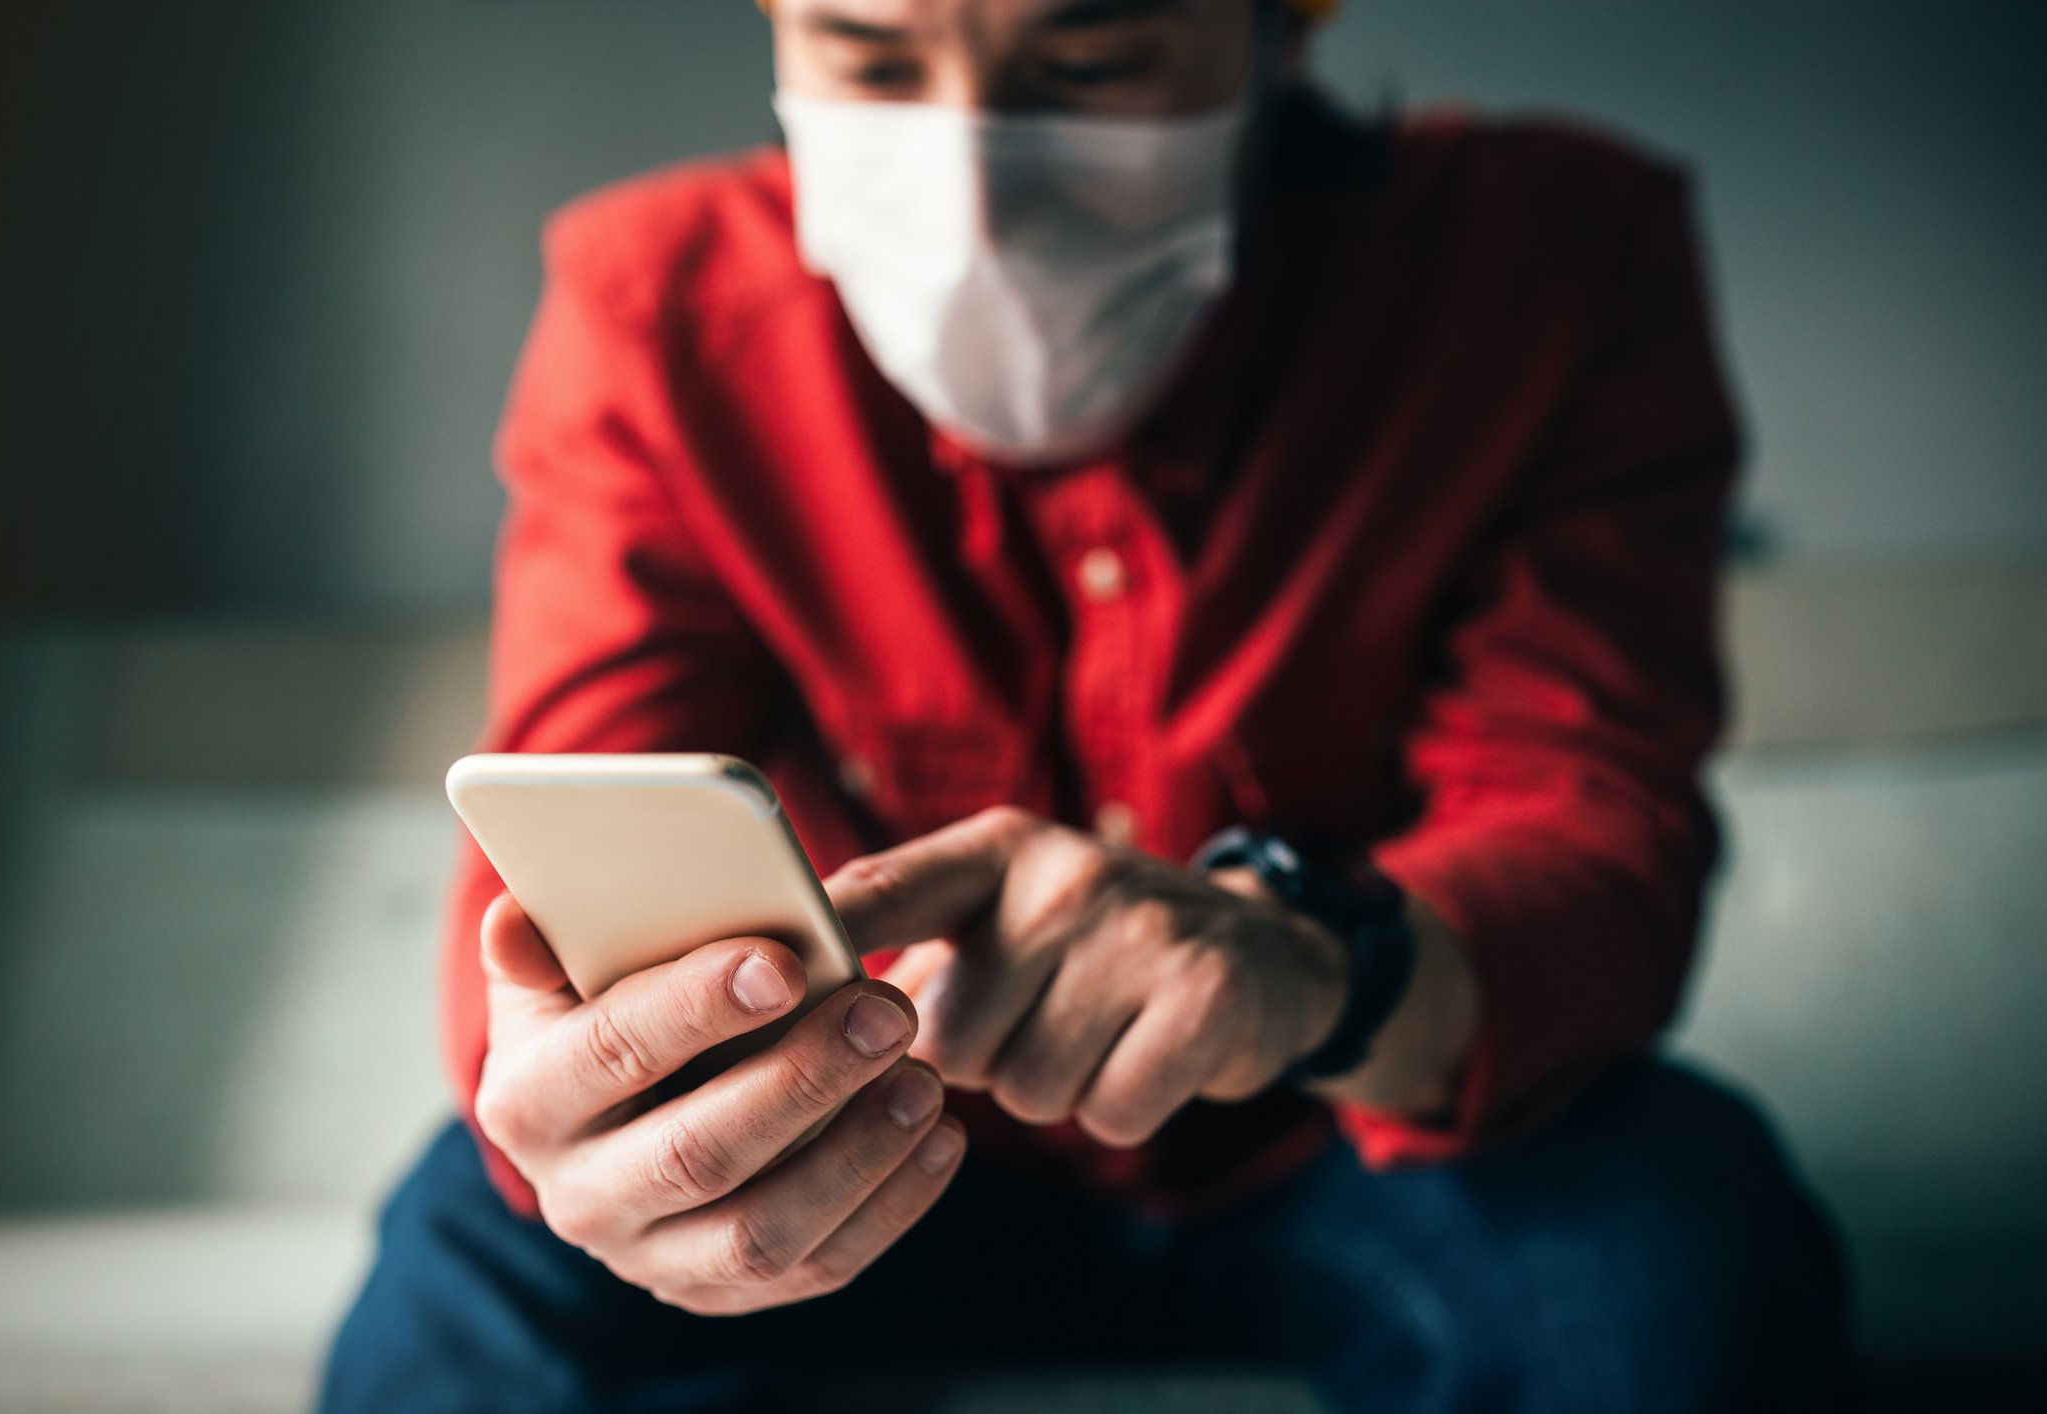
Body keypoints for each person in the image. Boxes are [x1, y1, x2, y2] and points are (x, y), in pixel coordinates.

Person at [321, 1, 1853, 1408]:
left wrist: (1303, 962)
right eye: (866, 58)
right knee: (470, 1270)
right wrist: (589, 1113)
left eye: (1095, 65)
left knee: (1676, 1238)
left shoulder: (1549, 268)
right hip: (851, 1120)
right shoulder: (657, 309)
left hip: (1346, 1135)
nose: (970, 198)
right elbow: (570, 825)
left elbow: (1584, 820)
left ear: (1284, 26)